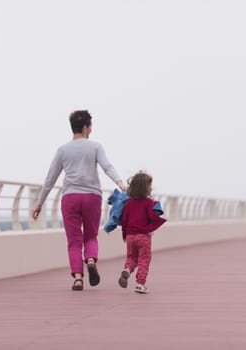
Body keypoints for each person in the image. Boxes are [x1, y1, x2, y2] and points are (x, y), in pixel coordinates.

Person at [32, 110, 125, 291]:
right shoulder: (95, 146)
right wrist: (119, 182)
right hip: (92, 197)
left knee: (74, 240)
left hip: (70, 198)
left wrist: (40, 203)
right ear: (84, 127)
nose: (90, 131)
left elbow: (50, 178)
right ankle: (90, 259)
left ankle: (78, 278)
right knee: (90, 235)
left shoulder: (63, 150)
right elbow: (107, 166)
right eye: (90, 127)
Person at [118, 171, 166, 294]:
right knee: (144, 259)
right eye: (150, 185)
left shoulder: (128, 204)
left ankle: (128, 270)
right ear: (146, 188)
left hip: (130, 236)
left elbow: (124, 221)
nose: (151, 187)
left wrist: (125, 235)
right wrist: (157, 212)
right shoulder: (149, 203)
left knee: (131, 257)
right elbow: (153, 218)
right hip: (143, 236)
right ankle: (140, 284)